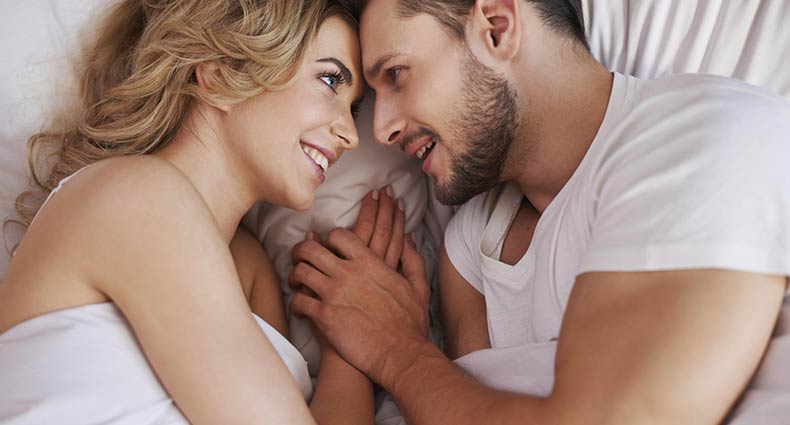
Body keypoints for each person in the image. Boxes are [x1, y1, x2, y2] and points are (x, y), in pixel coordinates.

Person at [287, 0, 790, 424]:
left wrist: (396, 350)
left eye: (396, 75)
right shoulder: (470, 246)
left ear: (496, 28)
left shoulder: (700, 134)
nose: (382, 130)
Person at [0, 0, 374, 424]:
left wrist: (351, 339)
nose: (350, 134)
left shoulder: (248, 268)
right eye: (329, 80)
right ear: (220, 73)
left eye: (353, 108)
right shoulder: (135, 196)